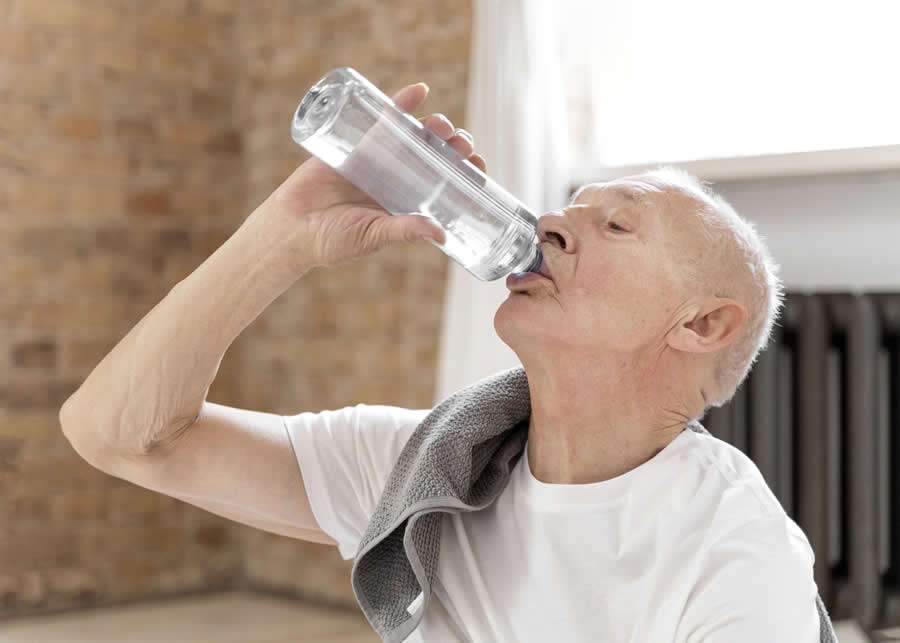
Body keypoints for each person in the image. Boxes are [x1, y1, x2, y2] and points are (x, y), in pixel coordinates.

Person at [59, 81, 820, 642]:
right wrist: (284, 236)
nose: (551, 222)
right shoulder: (429, 472)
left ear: (703, 323)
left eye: (617, 224)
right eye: (568, 204)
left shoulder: (731, 553)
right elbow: (118, 433)